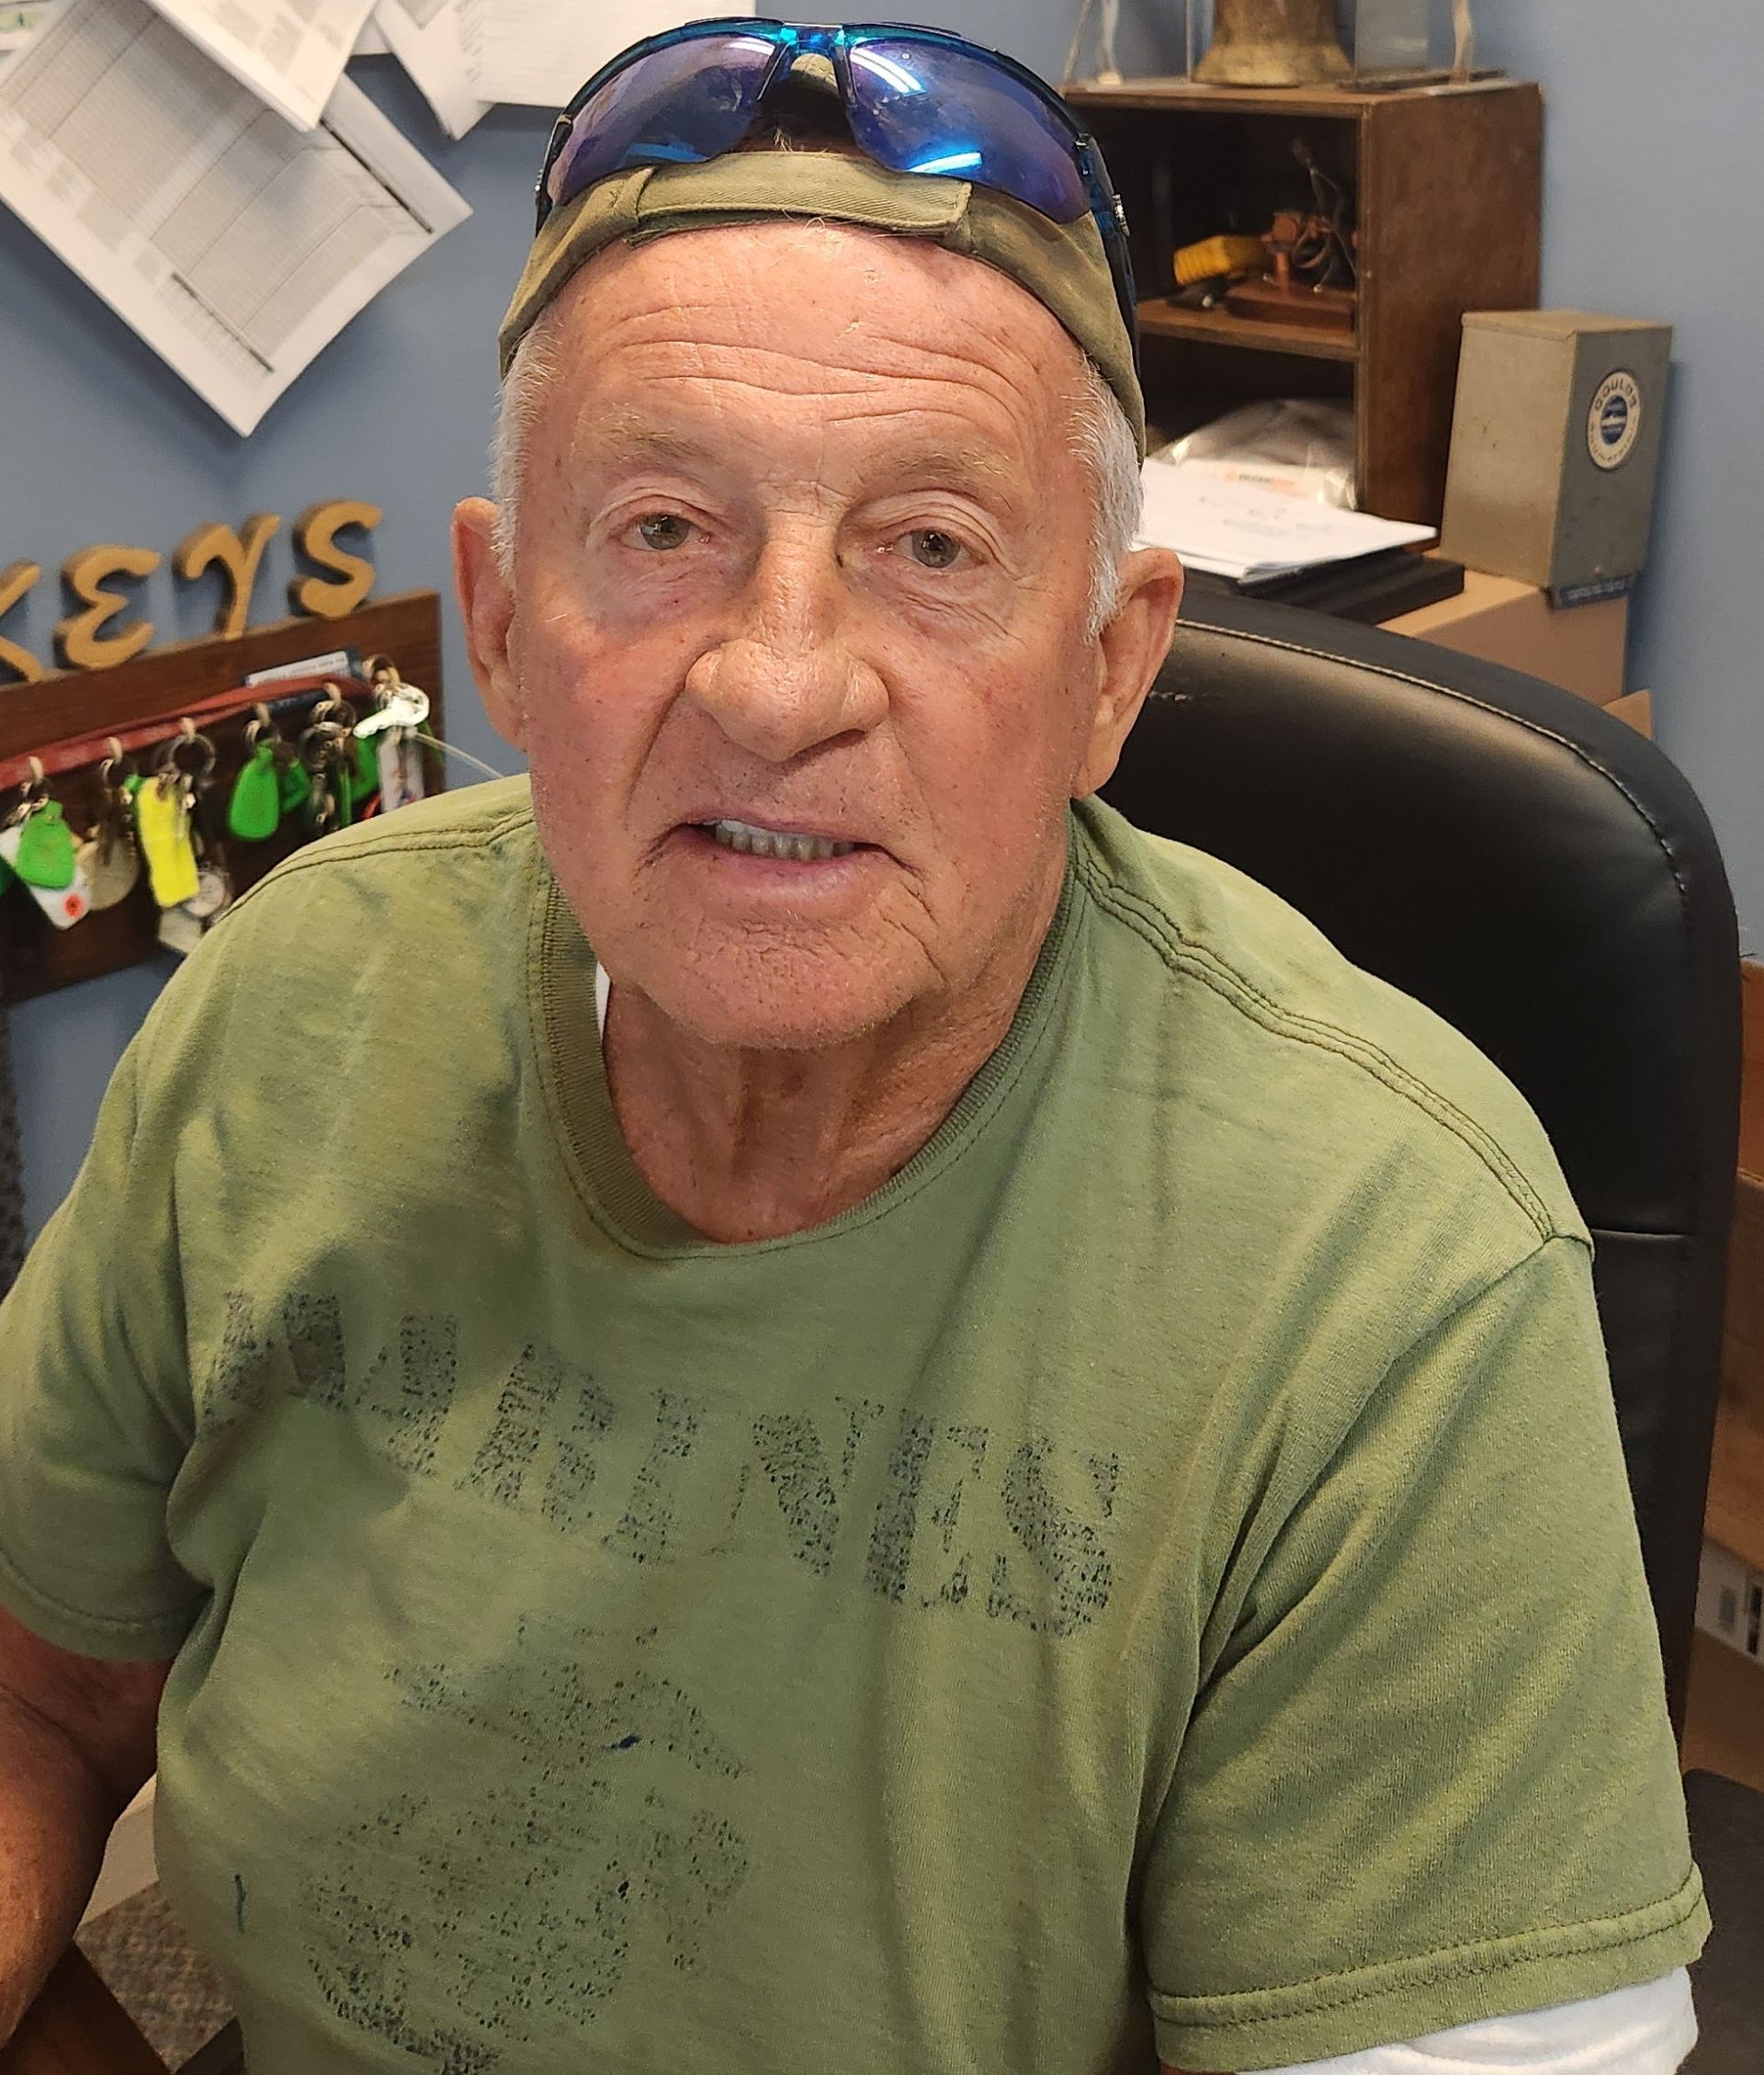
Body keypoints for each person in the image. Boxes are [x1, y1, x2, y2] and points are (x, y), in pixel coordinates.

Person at [0, 22, 1706, 2075]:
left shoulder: (1394, 1283)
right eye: (658, 528)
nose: (780, 678)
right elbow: (40, 1689)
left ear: (1110, 666)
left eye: (931, 546)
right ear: (509, 620)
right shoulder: (296, 1002)